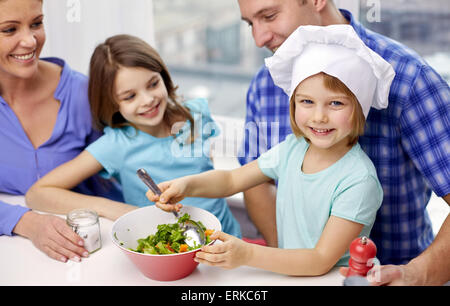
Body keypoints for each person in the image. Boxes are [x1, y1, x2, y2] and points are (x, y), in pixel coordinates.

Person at [147, 24, 394, 275]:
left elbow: (320, 260)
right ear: (293, 104)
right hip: (291, 277)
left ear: (360, 109)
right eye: (307, 101)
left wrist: (247, 254)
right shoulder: (294, 148)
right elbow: (232, 179)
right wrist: (187, 186)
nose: (319, 116)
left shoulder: (359, 181)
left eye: (336, 103)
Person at [236, 0, 449, 283]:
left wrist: (416, 276)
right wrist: (293, 264)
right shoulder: (265, 84)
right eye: (251, 24)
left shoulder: (410, 80)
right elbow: (256, 181)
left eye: (270, 16)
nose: (258, 38)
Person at [25, 34, 242, 238]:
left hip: (229, 239)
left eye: (153, 84)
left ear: (163, 76)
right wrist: (113, 209)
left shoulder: (196, 113)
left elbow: (208, 172)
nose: (148, 99)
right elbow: (37, 194)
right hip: (171, 249)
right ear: (112, 103)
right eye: (130, 96)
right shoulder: (115, 144)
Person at [0, 0, 122, 263]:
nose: (31, 41)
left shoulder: (83, 93)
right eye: (9, 30)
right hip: (15, 259)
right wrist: (27, 222)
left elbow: (127, 163)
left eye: (36, 24)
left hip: (97, 250)